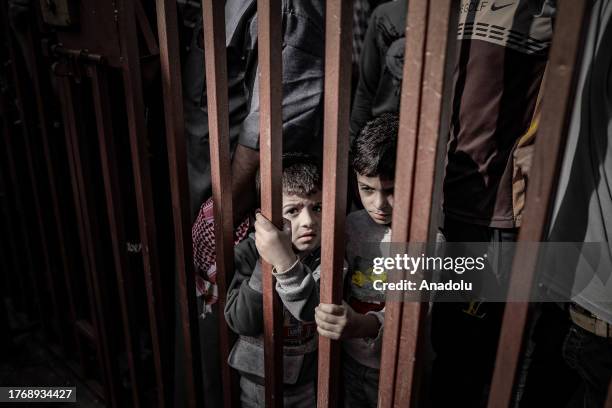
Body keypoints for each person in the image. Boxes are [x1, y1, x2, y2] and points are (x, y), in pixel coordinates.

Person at [432, 1, 556, 406]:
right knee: (443, 346)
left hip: (498, 212)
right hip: (439, 199)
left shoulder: (547, 13)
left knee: (492, 357)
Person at [224, 153, 323, 407]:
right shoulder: (247, 254)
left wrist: (285, 261)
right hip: (256, 383)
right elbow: (240, 320)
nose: (308, 221)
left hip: (305, 384)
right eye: (293, 210)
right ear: (264, 217)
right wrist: (265, 262)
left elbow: (313, 311)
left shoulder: (327, 257)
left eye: (317, 208)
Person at [315, 114, 397, 408]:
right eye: (367, 189)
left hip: (395, 369)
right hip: (348, 359)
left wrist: (360, 326)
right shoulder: (350, 225)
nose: (379, 204)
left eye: (391, 190)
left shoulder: (428, 240)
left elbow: (415, 315)